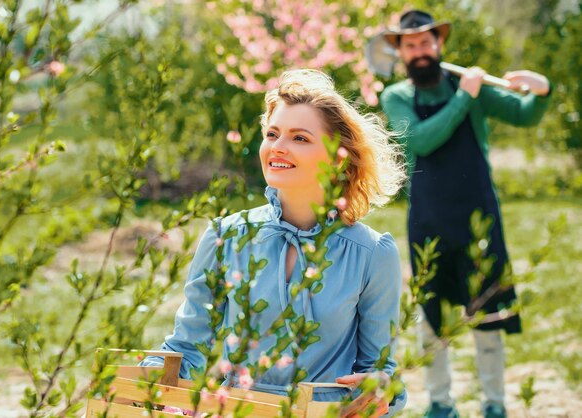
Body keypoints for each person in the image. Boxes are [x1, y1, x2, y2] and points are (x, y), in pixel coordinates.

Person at [141, 69, 407, 415]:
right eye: (272, 133)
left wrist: (383, 388)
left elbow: (379, 369)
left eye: (299, 138)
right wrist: (141, 377)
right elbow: (189, 346)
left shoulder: (372, 254)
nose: (278, 147)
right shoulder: (225, 237)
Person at [378, 10, 551, 418]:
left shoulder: (470, 86)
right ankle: (440, 403)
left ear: (439, 45)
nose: (419, 51)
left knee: (488, 318)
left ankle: (494, 405)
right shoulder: (397, 97)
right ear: (401, 52)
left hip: (479, 220)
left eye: (426, 42)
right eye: (411, 44)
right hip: (429, 222)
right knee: (432, 320)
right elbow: (421, 140)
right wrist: (464, 98)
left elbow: (523, 113)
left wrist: (542, 90)